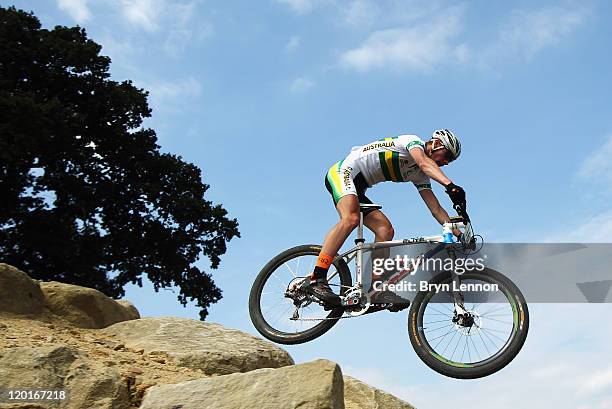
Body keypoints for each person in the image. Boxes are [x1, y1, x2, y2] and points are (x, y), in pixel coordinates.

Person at [303, 129, 467, 306]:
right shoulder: (413, 142)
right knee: (350, 218)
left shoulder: (420, 175)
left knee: (385, 230)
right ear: (436, 144)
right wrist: (450, 186)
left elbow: (435, 208)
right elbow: (423, 161)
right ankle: (317, 278)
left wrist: (458, 233)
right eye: (447, 156)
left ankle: (376, 289)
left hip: (358, 188)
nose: (446, 162)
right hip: (343, 173)